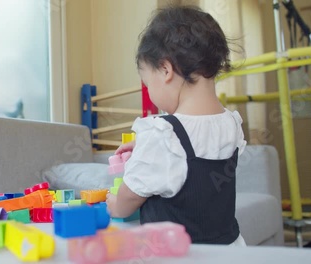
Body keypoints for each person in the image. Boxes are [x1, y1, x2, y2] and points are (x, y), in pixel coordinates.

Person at [105, 5, 247, 246]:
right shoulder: (231, 124)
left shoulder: (161, 136)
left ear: (165, 70)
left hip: (178, 255)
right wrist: (147, 145)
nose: (150, 92)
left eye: (148, 83)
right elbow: (198, 142)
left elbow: (128, 198)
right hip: (230, 250)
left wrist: (114, 203)